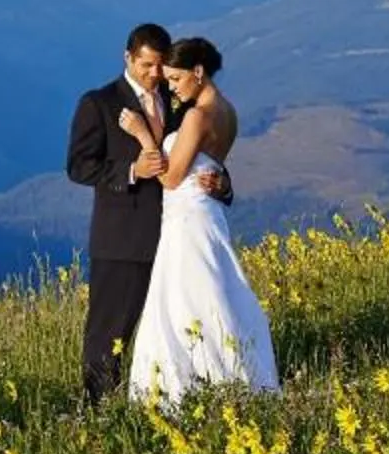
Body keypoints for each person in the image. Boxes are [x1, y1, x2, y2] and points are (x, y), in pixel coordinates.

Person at [64, 23, 228, 404]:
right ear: (128, 58)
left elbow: (200, 155)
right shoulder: (100, 103)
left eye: (160, 66)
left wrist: (222, 184)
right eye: (146, 65)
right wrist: (132, 171)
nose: (155, 75)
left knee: (173, 327)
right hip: (122, 239)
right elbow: (78, 166)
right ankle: (98, 407)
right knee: (110, 331)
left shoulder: (180, 102)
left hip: (175, 238)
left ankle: (178, 398)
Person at [119, 36, 279, 403]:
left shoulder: (197, 115)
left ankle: (187, 386)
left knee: (182, 300)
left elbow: (172, 177)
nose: (172, 88)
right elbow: (212, 166)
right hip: (208, 213)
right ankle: (231, 377)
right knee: (212, 292)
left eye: (175, 79)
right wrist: (221, 185)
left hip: (187, 220)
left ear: (198, 72)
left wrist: (144, 136)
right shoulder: (228, 112)